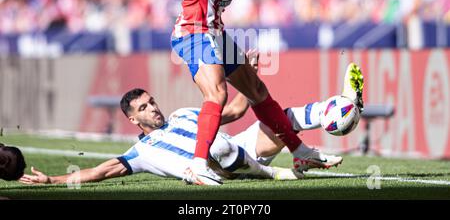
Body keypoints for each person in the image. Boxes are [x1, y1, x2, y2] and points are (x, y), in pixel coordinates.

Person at [162, 0, 364, 185]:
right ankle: (197, 165)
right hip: (193, 33)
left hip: (216, 33)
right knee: (218, 94)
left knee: (257, 92)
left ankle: (300, 152)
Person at [19, 61, 364, 186]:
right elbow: (99, 172)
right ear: (132, 119)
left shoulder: (184, 114)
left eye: (152, 101)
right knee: (215, 145)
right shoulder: (141, 152)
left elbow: (234, 111)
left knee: (284, 119)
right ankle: (276, 173)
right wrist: (53, 178)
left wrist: (250, 77)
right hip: (222, 163)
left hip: (241, 148)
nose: (153, 108)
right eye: (144, 107)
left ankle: (344, 106)